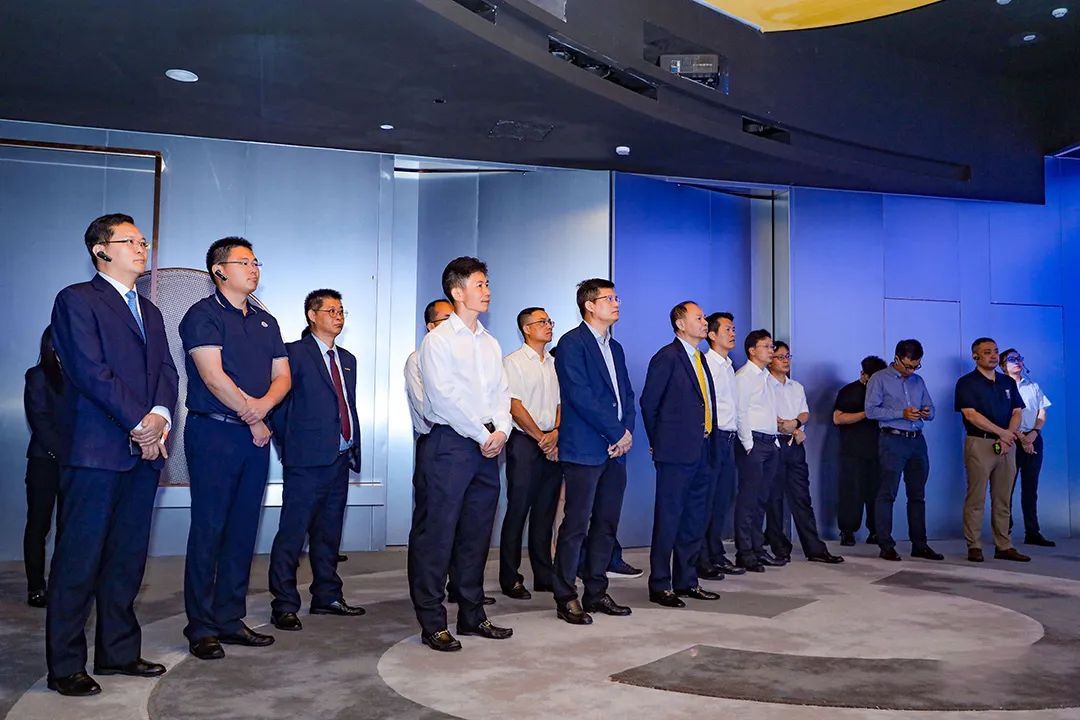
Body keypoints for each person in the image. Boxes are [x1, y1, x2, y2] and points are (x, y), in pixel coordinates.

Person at [46, 213, 178, 696]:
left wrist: (160, 415)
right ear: (100, 250)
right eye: (130, 241)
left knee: (127, 559)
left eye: (144, 242)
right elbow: (89, 371)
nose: (142, 248)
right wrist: (140, 422)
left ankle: (118, 652)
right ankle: (65, 665)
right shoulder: (76, 300)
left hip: (144, 452)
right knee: (78, 561)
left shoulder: (152, 311)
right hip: (97, 452)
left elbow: (167, 371)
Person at [180, 237, 291, 660]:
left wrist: (262, 409)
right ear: (219, 270)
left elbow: (283, 376)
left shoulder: (266, 321)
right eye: (244, 262)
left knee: (243, 529)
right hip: (214, 433)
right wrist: (254, 416)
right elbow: (213, 377)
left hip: (254, 436)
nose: (253, 268)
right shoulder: (202, 315)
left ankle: (229, 618)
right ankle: (201, 627)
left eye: (256, 262)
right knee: (209, 529)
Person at [409, 257, 513, 652]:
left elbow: (502, 393)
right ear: (457, 291)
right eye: (480, 284)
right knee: (437, 535)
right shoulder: (438, 340)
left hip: (487, 446)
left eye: (487, 284)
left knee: (476, 534)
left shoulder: (490, 342)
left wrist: (501, 430)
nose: (487, 291)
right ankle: (433, 622)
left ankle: (472, 614)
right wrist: (485, 433)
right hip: (450, 445)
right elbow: (443, 398)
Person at [268, 290, 365, 632]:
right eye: (331, 311)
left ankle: (327, 595)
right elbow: (279, 408)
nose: (339, 317)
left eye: (342, 311)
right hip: (305, 461)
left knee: (329, 533)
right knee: (293, 534)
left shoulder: (348, 358)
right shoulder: (293, 353)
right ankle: (284, 604)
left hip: (339, 457)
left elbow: (346, 404)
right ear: (312, 315)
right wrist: (291, 447)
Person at [551, 278, 636, 625]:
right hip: (585, 448)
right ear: (589, 305)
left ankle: (597, 591)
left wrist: (626, 433)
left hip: (616, 449)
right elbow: (580, 396)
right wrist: (616, 431)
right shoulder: (571, 344)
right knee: (576, 525)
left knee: (606, 523)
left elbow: (626, 395)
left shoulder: (616, 347)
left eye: (617, 298)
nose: (616, 303)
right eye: (609, 298)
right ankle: (565, 595)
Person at [405, 299, 495, 607]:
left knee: (472, 527)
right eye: (445, 319)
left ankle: (466, 597)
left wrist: (494, 430)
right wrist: (478, 429)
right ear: (430, 326)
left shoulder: (480, 347)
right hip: (440, 442)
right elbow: (430, 408)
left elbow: (493, 396)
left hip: (476, 442)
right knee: (434, 528)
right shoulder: (421, 356)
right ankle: (427, 602)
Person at [640, 302, 720, 608]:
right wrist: (659, 442)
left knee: (694, 519)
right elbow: (649, 403)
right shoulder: (667, 357)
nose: (704, 322)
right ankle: (660, 584)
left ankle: (687, 580)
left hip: (703, 449)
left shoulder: (700, 358)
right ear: (680, 323)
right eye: (698, 317)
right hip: (675, 453)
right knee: (669, 519)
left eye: (704, 317)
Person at [500, 307, 562, 599]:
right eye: (542, 322)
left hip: (552, 440)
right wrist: (541, 438)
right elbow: (515, 406)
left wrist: (556, 433)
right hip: (525, 442)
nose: (548, 326)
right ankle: (510, 577)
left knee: (545, 511)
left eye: (550, 321)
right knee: (518, 510)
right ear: (526, 328)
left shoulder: (554, 363)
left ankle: (543, 574)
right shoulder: (512, 362)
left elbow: (561, 404)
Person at [763, 342, 843, 564]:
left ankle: (815, 548)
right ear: (770, 360)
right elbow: (764, 413)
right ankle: (780, 548)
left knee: (802, 498)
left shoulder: (796, 386)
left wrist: (796, 425)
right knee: (774, 499)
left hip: (795, 444)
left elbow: (804, 413)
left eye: (788, 356)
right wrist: (786, 426)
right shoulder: (763, 384)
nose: (785, 360)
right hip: (773, 444)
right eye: (780, 357)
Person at [865, 339, 943, 562]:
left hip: (917, 441)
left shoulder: (918, 381)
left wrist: (926, 412)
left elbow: (932, 409)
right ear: (897, 358)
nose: (911, 371)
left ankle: (920, 544)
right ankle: (885, 544)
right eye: (908, 366)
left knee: (917, 495)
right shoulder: (879, 378)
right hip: (892, 440)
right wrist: (902, 413)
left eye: (916, 366)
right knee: (887, 493)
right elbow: (871, 411)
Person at [955, 338, 1029, 563]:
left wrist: (1008, 435)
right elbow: (971, 415)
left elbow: (1017, 411)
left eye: (996, 351)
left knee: (1003, 498)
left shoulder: (1007, 382)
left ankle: (1004, 546)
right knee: (976, 497)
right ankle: (974, 545)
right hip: (980, 443)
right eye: (987, 352)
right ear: (975, 356)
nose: (994, 356)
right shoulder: (967, 383)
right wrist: (1002, 433)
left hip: (1007, 445)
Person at [696, 312, 745, 579]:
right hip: (713, 437)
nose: (732, 333)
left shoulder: (728, 366)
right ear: (712, 335)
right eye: (727, 329)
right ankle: (701, 558)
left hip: (729, 439)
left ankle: (716, 554)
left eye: (734, 328)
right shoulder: (706, 365)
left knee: (722, 500)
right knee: (706, 501)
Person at [22, 326, 65, 608]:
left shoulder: (79, 377)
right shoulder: (37, 376)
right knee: (39, 525)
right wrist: (65, 455)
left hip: (74, 464)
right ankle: (36, 587)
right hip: (44, 463)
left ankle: (63, 585)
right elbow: (39, 420)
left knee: (68, 527)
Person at [732, 329, 780, 572]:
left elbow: (769, 410)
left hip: (770, 442)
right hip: (754, 443)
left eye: (772, 346)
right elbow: (740, 412)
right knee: (748, 500)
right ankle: (745, 552)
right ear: (752, 350)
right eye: (766, 346)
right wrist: (748, 443)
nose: (771, 350)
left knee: (761, 499)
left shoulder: (766, 376)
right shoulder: (744, 376)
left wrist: (776, 441)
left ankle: (758, 548)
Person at [1000, 349, 1054, 547]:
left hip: (1033, 438)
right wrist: (1022, 438)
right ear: (1003, 365)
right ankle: (1004, 531)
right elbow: (1002, 416)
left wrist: (1033, 434)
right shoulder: (1001, 386)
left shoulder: (1033, 385)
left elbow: (1042, 413)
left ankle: (1033, 532)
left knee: (1031, 488)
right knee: (1006, 487)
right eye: (1012, 359)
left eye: (1019, 358)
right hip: (1011, 439)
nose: (1017, 361)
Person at [833, 355, 888, 546]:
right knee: (851, 492)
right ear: (863, 374)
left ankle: (876, 531)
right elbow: (838, 418)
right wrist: (867, 413)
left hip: (879, 449)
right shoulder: (849, 391)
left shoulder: (885, 392)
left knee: (877, 493)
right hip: (853, 450)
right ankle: (847, 531)